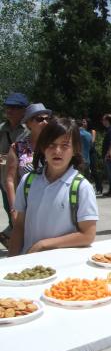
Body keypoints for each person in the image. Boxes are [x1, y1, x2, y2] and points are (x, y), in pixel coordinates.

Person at [8, 117, 98, 256]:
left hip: (62, 266)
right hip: (29, 264)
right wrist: (12, 260)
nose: (57, 151)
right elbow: (19, 226)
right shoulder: (28, 181)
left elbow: (88, 235)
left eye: (65, 145)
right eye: (51, 144)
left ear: (75, 150)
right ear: (43, 148)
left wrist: (43, 244)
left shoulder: (81, 187)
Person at [4, 103, 51, 247]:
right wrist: (13, 210)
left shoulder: (54, 145)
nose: (45, 122)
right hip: (26, 206)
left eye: (47, 118)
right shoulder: (17, 148)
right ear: (29, 123)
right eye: (39, 119)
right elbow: (10, 179)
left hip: (51, 203)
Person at [0, 92, 30, 244]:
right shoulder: (2, 129)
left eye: (14, 107)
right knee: (10, 209)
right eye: (7, 107)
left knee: (26, 213)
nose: (9, 111)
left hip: (26, 180)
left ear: (24, 110)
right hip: (6, 180)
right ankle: (14, 239)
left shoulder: (30, 129)